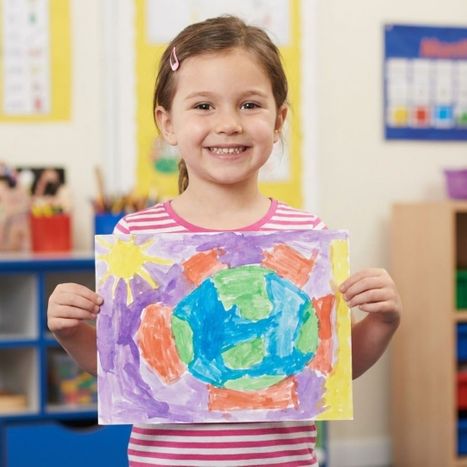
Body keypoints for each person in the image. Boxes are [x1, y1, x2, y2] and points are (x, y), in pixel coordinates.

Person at [48, 15, 402, 467]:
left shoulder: (305, 237)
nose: (229, 123)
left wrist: (382, 322)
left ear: (279, 120)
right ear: (167, 123)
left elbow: (327, 369)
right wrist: (68, 330)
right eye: (203, 106)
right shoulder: (137, 241)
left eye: (250, 104)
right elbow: (121, 367)